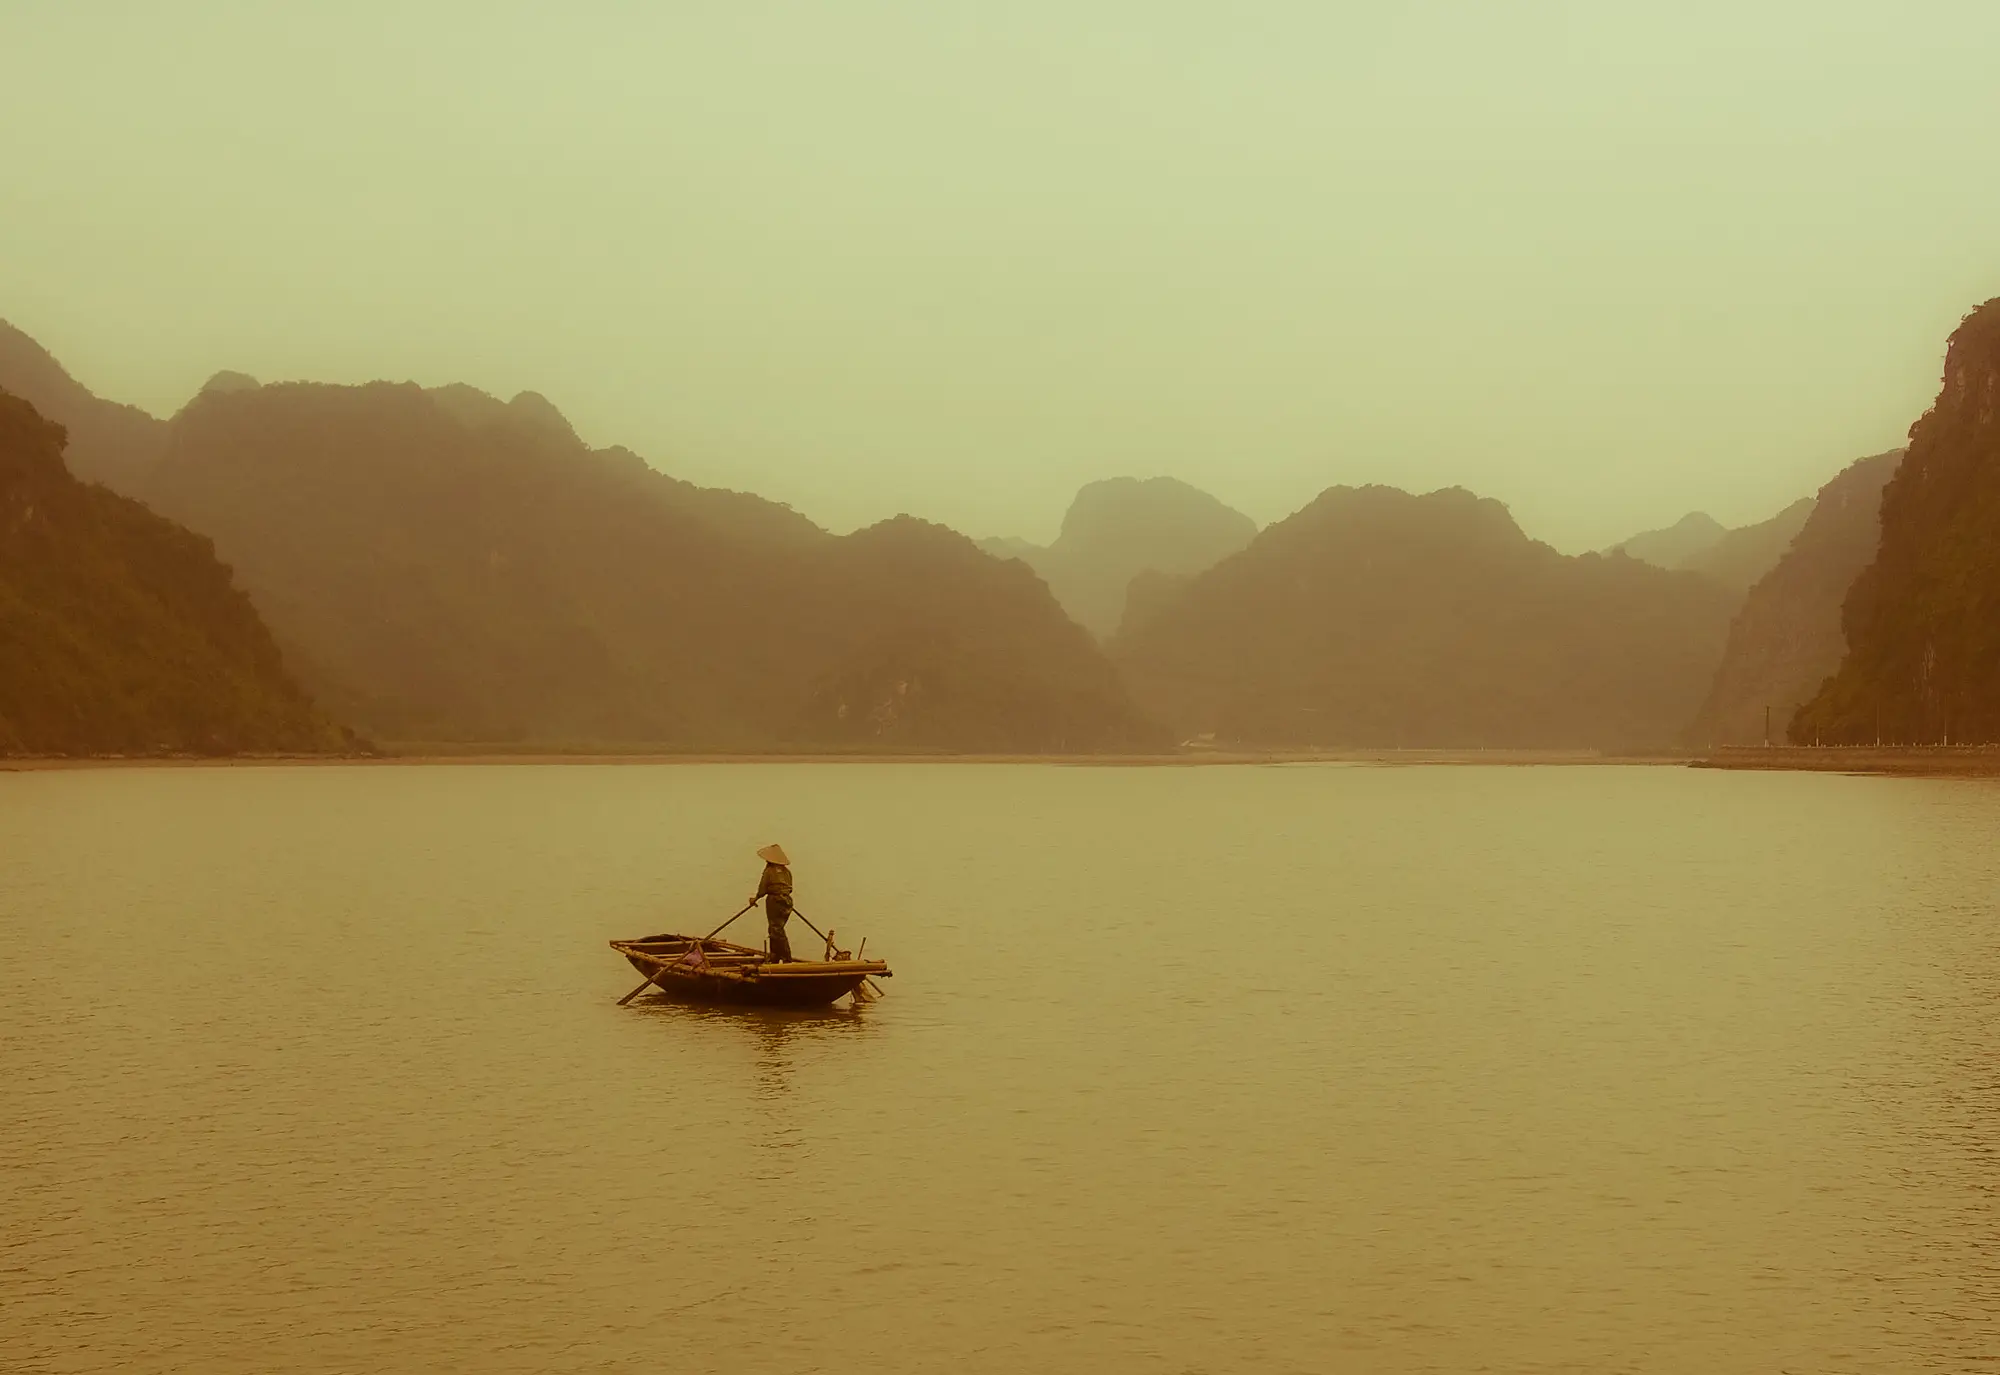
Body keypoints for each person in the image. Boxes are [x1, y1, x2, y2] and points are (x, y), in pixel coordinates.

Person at [752, 843, 794, 962]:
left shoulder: (769, 871)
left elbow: (762, 889)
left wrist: (755, 898)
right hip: (787, 901)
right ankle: (775, 956)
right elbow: (790, 888)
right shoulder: (787, 872)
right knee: (777, 928)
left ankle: (786, 957)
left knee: (776, 929)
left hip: (774, 901)